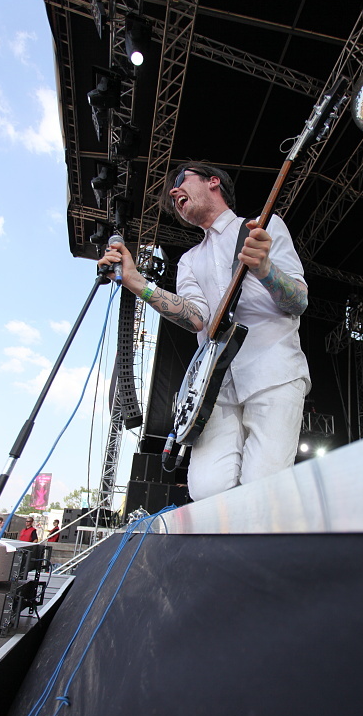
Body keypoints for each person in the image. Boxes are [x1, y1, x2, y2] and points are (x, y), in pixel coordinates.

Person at [99, 162, 310, 501]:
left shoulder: (264, 226)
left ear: (213, 182)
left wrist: (265, 269)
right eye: (171, 194)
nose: (173, 192)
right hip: (214, 388)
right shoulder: (189, 260)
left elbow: (298, 301)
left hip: (274, 370)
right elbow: (197, 319)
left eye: (180, 180)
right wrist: (136, 282)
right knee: (207, 490)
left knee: (263, 487)